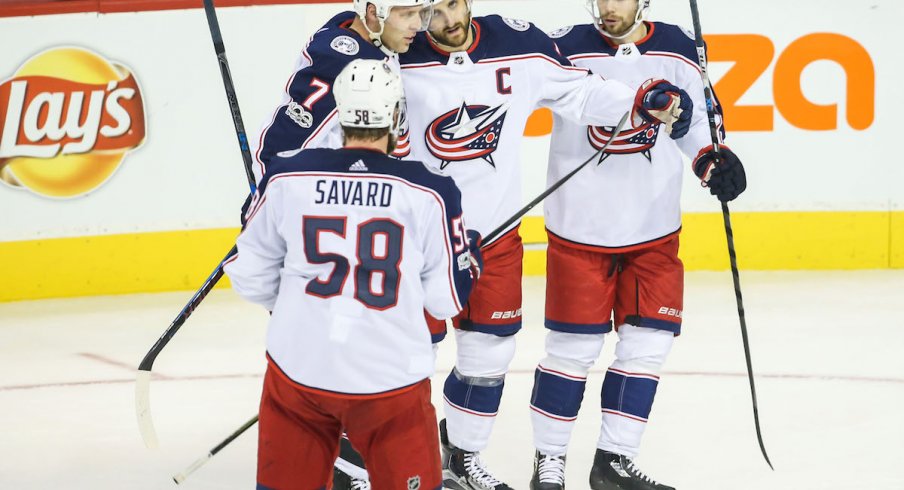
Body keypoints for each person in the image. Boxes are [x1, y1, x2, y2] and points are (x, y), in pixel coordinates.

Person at [390, 1, 693, 488]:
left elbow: (582, 92)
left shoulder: (517, 44)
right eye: (430, 12)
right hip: (418, 242)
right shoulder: (395, 56)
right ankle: (372, 463)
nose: (446, 22)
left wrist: (644, 96)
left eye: (452, 6)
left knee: (488, 358)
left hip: (496, 238)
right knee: (406, 360)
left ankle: (461, 460)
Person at [224, 59, 482, 490]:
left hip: (299, 375)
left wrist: (300, 307)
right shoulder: (430, 191)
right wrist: (469, 257)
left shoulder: (288, 175)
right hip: (390, 384)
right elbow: (445, 301)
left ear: (341, 114)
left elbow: (249, 275)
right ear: (396, 116)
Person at [527, 1, 747, 489]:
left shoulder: (679, 49)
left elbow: (696, 125)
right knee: (570, 353)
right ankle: (550, 461)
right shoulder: (561, 46)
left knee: (646, 348)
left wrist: (712, 159)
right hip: (580, 232)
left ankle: (614, 463)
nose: (607, 7)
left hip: (654, 230)